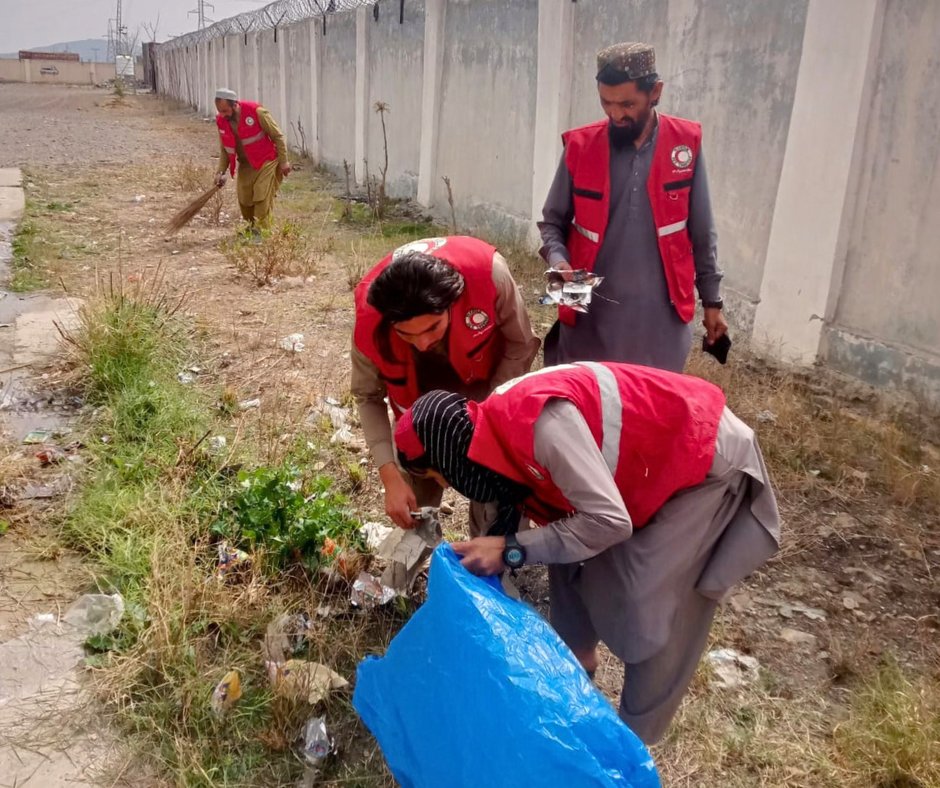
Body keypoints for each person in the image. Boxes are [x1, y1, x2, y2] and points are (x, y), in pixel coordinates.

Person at [393, 362, 780, 744]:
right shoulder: (488, 442)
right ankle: (576, 671)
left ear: (447, 454)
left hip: (698, 456)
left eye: (438, 474)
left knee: (646, 604)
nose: (446, 484)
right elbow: (548, 525)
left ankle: (633, 743)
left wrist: (512, 549)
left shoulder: (539, 427)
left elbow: (609, 523)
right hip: (636, 476)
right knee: (569, 555)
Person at [539, 42, 728, 372]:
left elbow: (702, 232)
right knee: (581, 406)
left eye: (627, 104)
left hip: (660, 320)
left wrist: (712, 301)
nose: (615, 115)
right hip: (584, 308)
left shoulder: (684, 144)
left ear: (655, 92)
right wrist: (558, 260)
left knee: (651, 407)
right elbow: (551, 223)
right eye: (606, 103)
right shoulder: (580, 146)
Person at [351, 236, 540, 533]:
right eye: (407, 334)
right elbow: (367, 396)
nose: (423, 343)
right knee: (414, 511)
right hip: (416, 407)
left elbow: (520, 344)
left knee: (496, 489)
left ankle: (488, 567)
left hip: (485, 386)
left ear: (454, 302)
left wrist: (487, 421)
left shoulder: (489, 274)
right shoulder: (370, 317)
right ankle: (405, 570)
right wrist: (389, 475)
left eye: (432, 327)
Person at [213, 88, 291, 231]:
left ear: (234, 104)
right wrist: (221, 171)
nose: (223, 115)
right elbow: (225, 149)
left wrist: (284, 161)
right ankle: (252, 228)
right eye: (220, 111)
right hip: (246, 165)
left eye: (225, 111)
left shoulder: (257, 112)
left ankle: (262, 233)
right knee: (245, 201)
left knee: (261, 196)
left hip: (266, 160)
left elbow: (278, 136)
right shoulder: (222, 121)